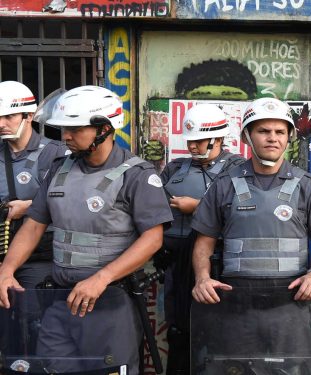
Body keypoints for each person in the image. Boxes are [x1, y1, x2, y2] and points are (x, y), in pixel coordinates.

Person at [0, 85, 173, 374]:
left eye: (75, 129)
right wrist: (6, 270)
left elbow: (153, 238)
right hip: (59, 301)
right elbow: (33, 225)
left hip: (110, 303)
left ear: (104, 129)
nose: (65, 136)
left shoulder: (137, 175)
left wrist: (101, 278)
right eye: (64, 129)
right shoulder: (59, 169)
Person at [190, 98, 311, 367]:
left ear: (289, 137)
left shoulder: (306, 184)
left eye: (280, 132)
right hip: (236, 307)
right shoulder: (224, 184)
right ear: (247, 136)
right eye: (263, 131)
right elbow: (204, 243)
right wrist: (202, 278)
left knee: (288, 370)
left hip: (291, 306)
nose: (273, 138)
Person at [159, 103, 244, 374]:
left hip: (217, 261)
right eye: (190, 141)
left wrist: (196, 206)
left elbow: (245, 211)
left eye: (198, 141)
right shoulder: (175, 169)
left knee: (221, 332)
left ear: (217, 138)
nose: (192, 147)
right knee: (180, 330)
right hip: (176, 262)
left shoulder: (239, 169)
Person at [0, 81, 68, 288]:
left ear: (29, 116)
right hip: (2, 253)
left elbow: (75, 201)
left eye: (9, 117)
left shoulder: (56, 153)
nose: (1, 123)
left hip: (39, 257)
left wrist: (29, 207)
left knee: (33, 315)